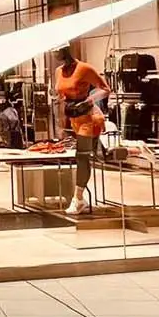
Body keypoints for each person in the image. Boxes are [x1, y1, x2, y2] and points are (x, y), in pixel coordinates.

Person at [54, 44, 110, 215]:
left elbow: (105, 89)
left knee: (82, 156)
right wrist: (60, 119)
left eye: (56, 50)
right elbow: (61, 95)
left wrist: (89, 101)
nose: (54, 54)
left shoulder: (84, 68)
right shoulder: (58, 71)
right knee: (87, 155)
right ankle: (137, 149)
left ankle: (78, 199)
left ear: (64, 50)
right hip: (73, 118)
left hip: (89, 117)